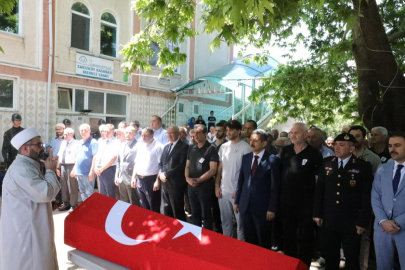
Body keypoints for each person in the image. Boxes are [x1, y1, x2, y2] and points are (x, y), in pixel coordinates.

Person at [0, 127, 60, 270]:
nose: (42, 148)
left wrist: (47, 206)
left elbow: (33, 195)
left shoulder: (29, 165)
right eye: (38, 145)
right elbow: (46, 193)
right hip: (27, 233)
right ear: (25, 149)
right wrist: (51, 170)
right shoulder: (22, 169)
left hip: (32, 224)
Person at [314, 133, 373, 270]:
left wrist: (362, 221)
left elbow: (366, 196)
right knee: (330, 257)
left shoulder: (362, 166)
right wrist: (317, 213)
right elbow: (320, 190)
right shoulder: (328, 163)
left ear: (351, 149)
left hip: (351, 221)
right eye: (336, 144)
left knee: (351, 258)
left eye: (341, 145)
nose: (337, 148)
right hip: (330, 218)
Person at [279, 122, 323, 268]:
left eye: (296, 132)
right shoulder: (285, 151)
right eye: (291, 133)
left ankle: (304, 266)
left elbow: (319, 180)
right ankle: (289, 264)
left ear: (305, 135)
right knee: (288, 236)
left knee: (305, 238)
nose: (292, 135)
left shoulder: (314, 153)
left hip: (306, 205)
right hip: (286, 203)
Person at [234, 129, 280, 248]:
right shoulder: (246, 158)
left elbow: (275, 186)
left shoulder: (272, 160)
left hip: (263, 209)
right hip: (245, 205)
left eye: (256, 140)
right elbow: (241, 181)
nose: (251, 142)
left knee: (263, 240)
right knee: (249, 240)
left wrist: (272, 208)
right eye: (250, 139)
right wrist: (237, 201)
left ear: (264, 143)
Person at [371, 132, 405, 269]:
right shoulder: (382, 168)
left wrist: (397, 222)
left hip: (402, 227)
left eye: (397, 145)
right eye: (390, 145)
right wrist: (383, 220)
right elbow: (375, 196)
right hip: (382, 228)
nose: (392, 149)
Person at [216, 120, 252, 240]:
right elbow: (220, 168)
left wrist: (239, 190)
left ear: (238, 130)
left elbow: (248, 173)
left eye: (231, 130)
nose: (228, 132)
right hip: (223, 191)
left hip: (238, 193)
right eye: (227, 130)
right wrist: (217, 186)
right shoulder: (223, 147)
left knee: (241, 226)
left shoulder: (246, 148)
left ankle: (241, 252)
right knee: (225, 223)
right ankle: (227, 249)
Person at [185, 124, 218, 230]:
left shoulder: (211, 148)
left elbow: (213, 170)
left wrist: (199, 180)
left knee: (206, 214)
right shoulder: (191, 148)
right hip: (191, 186)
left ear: (205, 134)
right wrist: (187, 179)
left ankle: (206, 237)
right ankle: (196, 235)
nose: (195, 135)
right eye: (194, 133)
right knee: (195, 214)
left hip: (205, 187)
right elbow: (187, 165)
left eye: (198, 133)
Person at [159, 126, 189, 221]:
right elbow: (161, 163)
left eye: (172, 133)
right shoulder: (166, 146)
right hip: (165, 184)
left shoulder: (184, 147)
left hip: (176, 184)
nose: (169, 136)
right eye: (168, 134)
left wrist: (166, 174)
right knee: (166, 209)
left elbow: (181, 165)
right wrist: (160, 174)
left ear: (178, 134)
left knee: (178, 210)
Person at [131, 127, 163, 213]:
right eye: (142, 135)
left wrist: (157, 181)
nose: (143, 137)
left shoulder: (158, 146)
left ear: (152, 135)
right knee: (143, 205)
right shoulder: (141, 146)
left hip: (152, 179)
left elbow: (161, 165)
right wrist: (133, 177)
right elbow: (136, 163)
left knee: (153, 205)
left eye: (146, 135)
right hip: (140, 179)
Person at [71, 124, 98, 201]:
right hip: (79, 172)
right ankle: (85, 209)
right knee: (82, 192)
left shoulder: (93, 142)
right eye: (81, 130)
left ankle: (91, 210)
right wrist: (74, 169)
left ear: (89, 131)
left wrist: (92, 172)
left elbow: (95, 157)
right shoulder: (79, 143)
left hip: (88, 172)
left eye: (85, 130)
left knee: (89, 193)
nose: (83, 132)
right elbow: (77, 157)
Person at [56, 127, 80, 212]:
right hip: (63, 165)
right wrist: (58, 167)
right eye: (64, 134)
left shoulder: (77, 143)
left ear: (72, 135)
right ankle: (66, 203)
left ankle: (73, 205)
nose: (64, 136)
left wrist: (75, 168)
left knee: (72, 186)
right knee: (64, 185)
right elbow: (60, 155)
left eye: (66, 134)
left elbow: (78, 157)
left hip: (71, 165)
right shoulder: (63, 143)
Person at [115, 126, 139, 205]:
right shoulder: (122, 145)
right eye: (126, 133)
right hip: (121, 177)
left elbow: (137, 162)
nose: (127, 135)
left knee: (133, 202)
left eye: (130, 133)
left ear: (135, 134)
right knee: (123, 201)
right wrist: (117, 176)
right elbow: (119, 162)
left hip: (130, 177)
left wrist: (134, 178)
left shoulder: (138, 145)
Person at [95, 124, 120, 198]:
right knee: (102, 192)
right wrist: (96, 167)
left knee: (110, 192)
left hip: (110, 169)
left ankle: (110, 209)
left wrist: (102, 168)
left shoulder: (116, 142)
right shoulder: (101, 141)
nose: (105, 133)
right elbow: (98, 155)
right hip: (100, 170)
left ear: (113, 132)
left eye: (108, 132)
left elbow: (113, 158)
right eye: (104, 131)